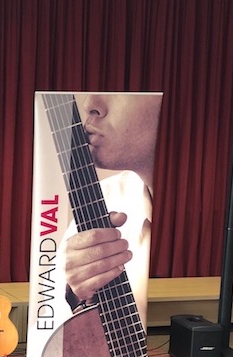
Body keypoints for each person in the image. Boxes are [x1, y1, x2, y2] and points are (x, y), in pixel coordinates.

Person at [62, 93, 162, 327]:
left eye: (119, 92)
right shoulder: (102, 197)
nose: (90, 106)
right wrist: (78, 294)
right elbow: (48, 320)